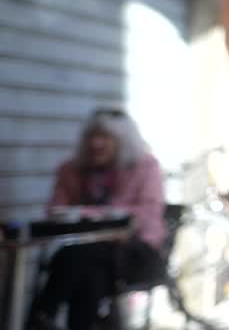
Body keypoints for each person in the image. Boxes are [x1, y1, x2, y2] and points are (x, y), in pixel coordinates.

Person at [28, 107, 167, 330]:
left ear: (123, 141)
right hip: (89, 256)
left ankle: (42, 316)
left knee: (73, 257)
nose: (96, 143)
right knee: (89, 274)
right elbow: (56, 211)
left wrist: (88, 214)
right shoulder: (72, 170)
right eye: (92, 136)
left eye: (105, 137)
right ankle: (47, 319)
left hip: (135, 253)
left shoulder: (145, 167)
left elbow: (147, 214)